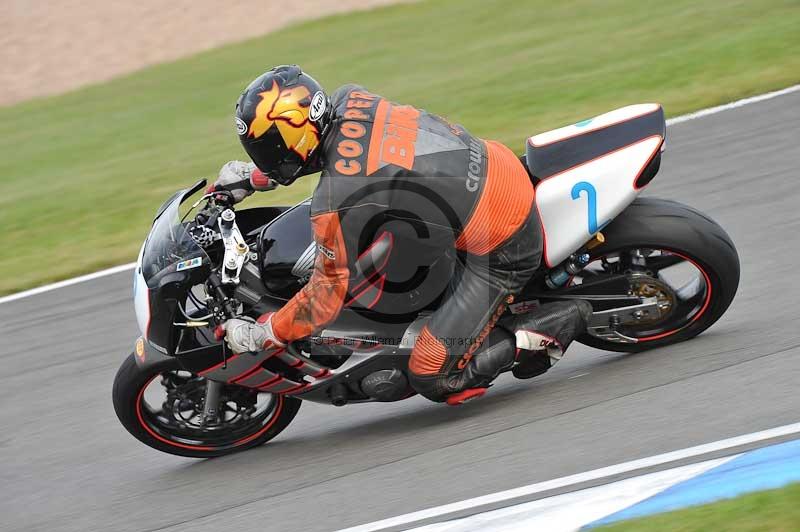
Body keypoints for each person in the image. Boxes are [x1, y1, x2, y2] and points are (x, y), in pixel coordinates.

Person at [214, 65, 590, 404]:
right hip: (493, 165)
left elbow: (324, 298)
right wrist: (255, 177)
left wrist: (266, 333)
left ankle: (552, 324)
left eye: (268, 147)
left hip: (504, 244)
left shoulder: (336, 201)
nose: (265, 155)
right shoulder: (352, 98)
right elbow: (348, 154)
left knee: (431, 374)